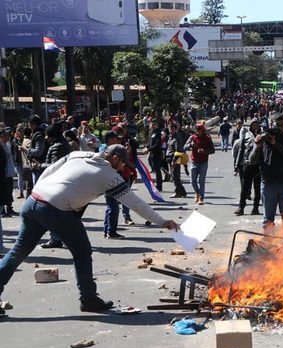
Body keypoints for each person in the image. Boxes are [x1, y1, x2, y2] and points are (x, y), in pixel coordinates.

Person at [0, 145, 179, 317]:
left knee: (18, 251)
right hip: (56, 209)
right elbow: (135, 203)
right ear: (115, 158)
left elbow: (49, 171)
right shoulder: (109, 176)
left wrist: (40, 191)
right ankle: (89, 299)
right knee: (82, 252)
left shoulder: (78, 154)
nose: (123, 168)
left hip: (34, 201)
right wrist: (162, 222)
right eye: (123, 163)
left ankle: (89, 298)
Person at [250, 113, 283, 229]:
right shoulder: (263, 139)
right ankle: (268, 244)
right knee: (268, 220)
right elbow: (252, 160)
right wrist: (257, 146)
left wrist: (276, 144)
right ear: (271, 125)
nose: (280, 128)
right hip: (268, 184)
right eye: (278, 125)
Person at [234, 120, 262, 216]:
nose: (255, 126)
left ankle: (256, 208)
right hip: (247, 164)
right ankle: (241, 207)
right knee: (245, 188)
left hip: (259, 166)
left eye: (257, 125)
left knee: (257, 188)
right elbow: (241, 150)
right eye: (253, 125)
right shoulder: (246, 135)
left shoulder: (263, 136)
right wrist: (237, 165)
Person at [185, 123, 215, 205]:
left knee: (201, 181)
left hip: (203, 162)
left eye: (200, 129)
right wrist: (191, 145)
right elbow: (185, 146)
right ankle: (197, 193)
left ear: (203, 130)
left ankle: (201, 198)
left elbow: (212, 150)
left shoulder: (207, 138)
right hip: (194, 161)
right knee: (192, 181)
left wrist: (204, 151)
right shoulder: (192, 137)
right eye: (197, 129)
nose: (198, 131)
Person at [23, 115, 46, 185]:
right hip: (37, 166)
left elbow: (38, 151)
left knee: (38, 190)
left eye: (29, 123)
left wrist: (26, 150)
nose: (28, 125)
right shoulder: (37, 133)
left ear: (32, 124)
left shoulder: (39, 135)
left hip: (39, 166)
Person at [166, 122, 188, 199]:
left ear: (175, 129)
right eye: (169, 128)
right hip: (170, 158)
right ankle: (182, 192)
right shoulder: (170, 137)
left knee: (175, 176)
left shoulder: (177, 138)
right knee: (174, 176)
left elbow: (177, 151)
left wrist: (173, 161)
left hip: (175, 159)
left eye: (172, 129)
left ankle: (178, 192)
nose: (170, 130)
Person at [147, 120, 163, 191]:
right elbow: (150, 142)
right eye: (152, 124)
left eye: (154, 124)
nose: (153, 126)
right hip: (152, 153)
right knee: (155, 169)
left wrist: (149, 149)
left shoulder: (158, 133)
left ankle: (159, 186)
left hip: (157, 153)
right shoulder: (151, 132)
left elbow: (157, 144)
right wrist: (147, 147)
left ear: (157, 125)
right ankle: (157, 184)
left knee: (157, 170)